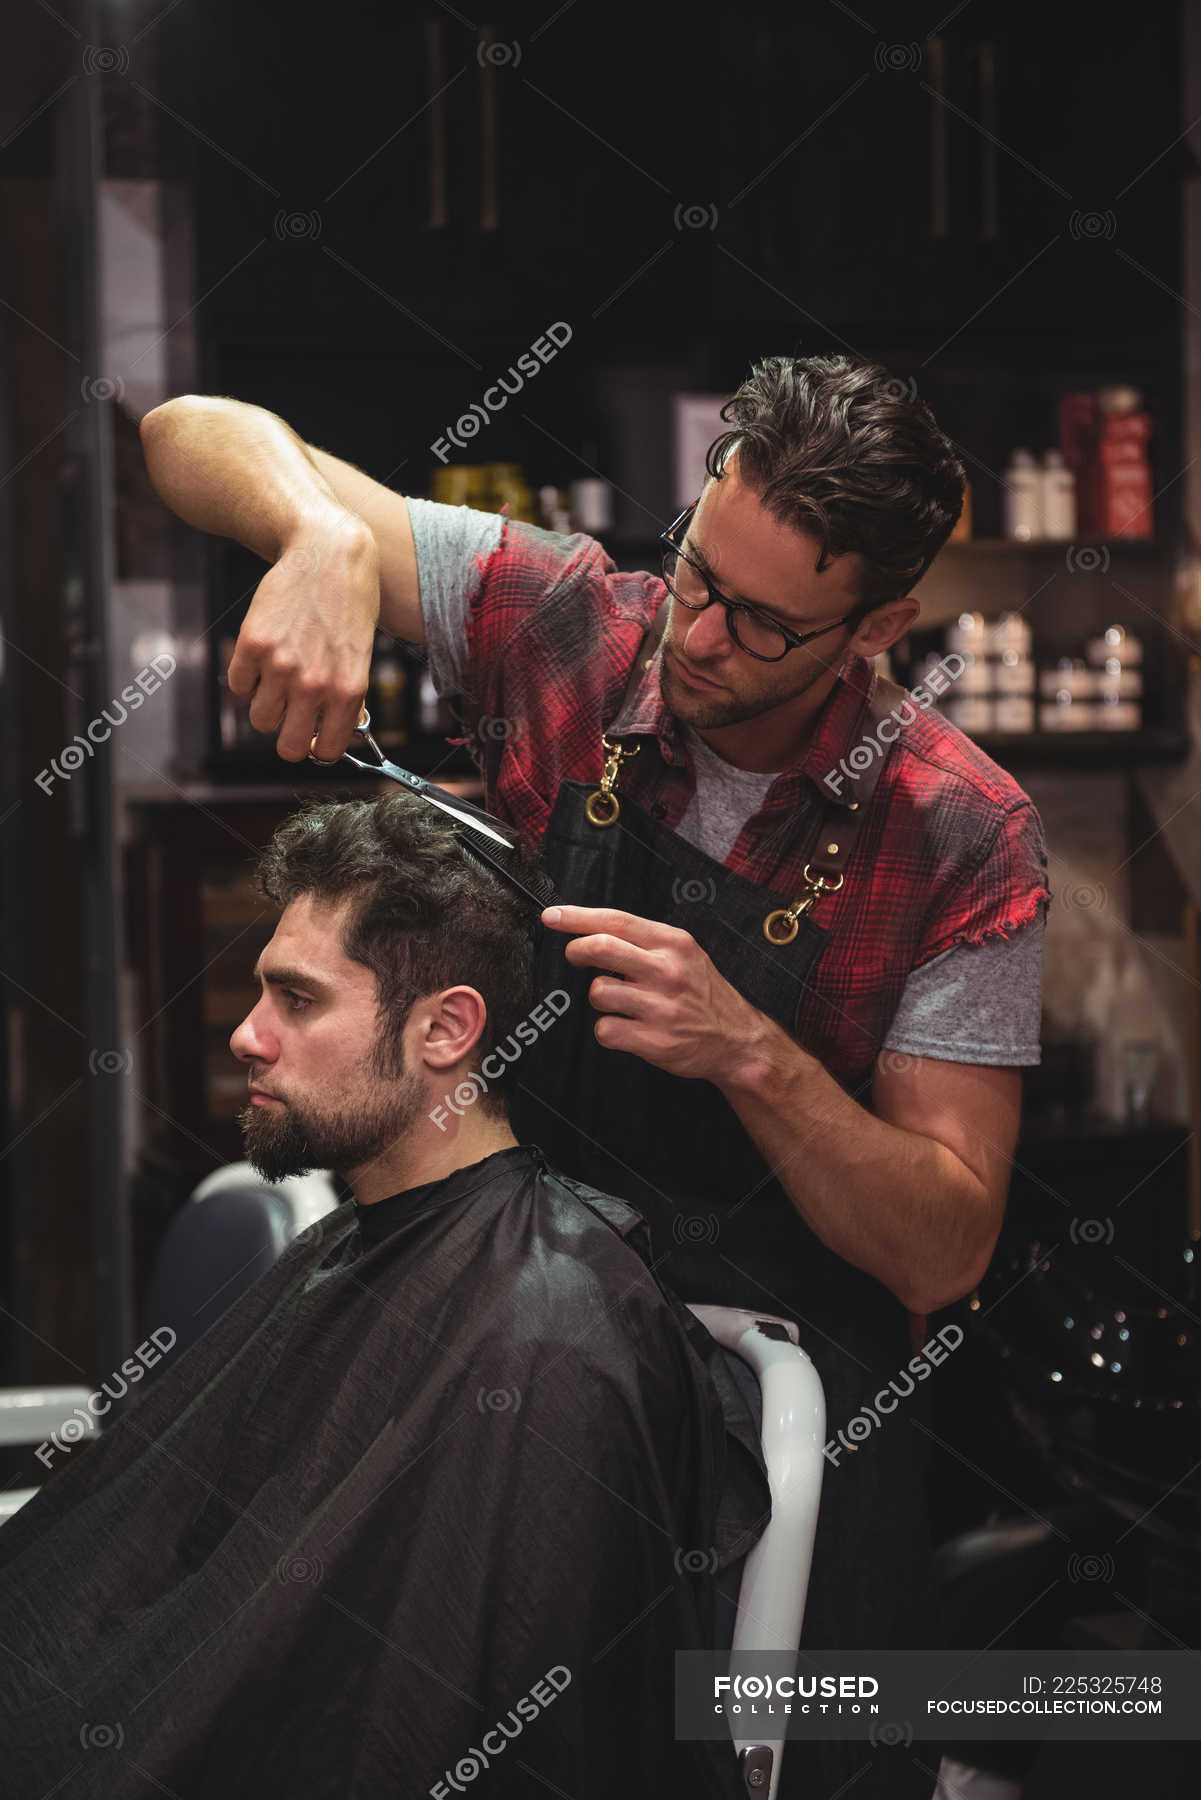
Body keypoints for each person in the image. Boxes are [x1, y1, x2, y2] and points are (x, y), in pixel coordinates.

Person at [139, 353, 1052, 1797]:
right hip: (511, 1331)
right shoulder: (566, 622)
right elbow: (187, 434)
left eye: (763, 622)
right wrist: (317, 532)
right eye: (696, 572)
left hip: (790, 1409)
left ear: (881, 623)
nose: (696, 638)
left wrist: (756, 1057)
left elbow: (944, 1248)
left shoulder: (959, 837)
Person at [0, 789, 771, 1800]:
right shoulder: (361, 1234)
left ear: (445, 1030)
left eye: (299, 999)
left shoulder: (546, 1337)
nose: (248, 1035)